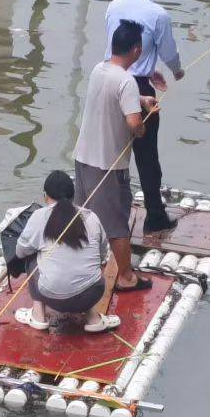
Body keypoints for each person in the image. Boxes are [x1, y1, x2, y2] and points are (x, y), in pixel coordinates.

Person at [73, 18, 157, 292]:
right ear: (135, 50)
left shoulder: (100, 69)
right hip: (107, 165)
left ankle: (78, 266)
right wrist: (142, 128)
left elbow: (112, 98)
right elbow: (134, 124)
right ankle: (126, 277)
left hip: (83, 157)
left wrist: (141, 101)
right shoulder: (128, 81)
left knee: (83, 217)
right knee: (117, 223)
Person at [103, 0, 184, 234]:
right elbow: (168, 53)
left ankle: (106, 215)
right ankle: (154, 217)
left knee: (110, 149)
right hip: (139, 89)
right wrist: (177, 71)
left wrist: (148, 70)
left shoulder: (113, 7)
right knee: (147, 154)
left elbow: (119, 50)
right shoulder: (159, 14)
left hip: (111, 79)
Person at [13, 170, 119, 333]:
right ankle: (93, 318)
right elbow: (104, 255)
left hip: (52, 298)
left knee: (32, 255)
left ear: (45, 196)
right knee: (92, 264)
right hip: (92, 294)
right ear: (73, 196)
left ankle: (38, 314)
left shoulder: (39, 216)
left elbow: (20, 251)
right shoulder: (91, 217)